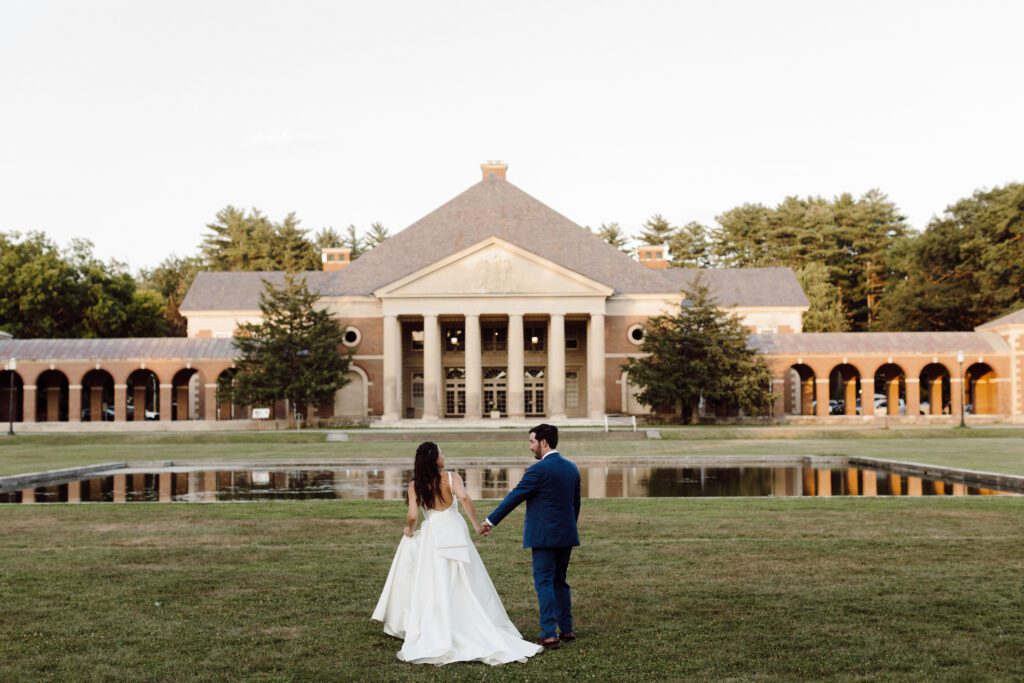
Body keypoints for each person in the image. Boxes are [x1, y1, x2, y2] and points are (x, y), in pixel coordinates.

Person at [372, 441, 543, 665]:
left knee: (435, 578)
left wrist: (409, 531)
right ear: (435, 459)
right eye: (441, 454)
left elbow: (413, 515)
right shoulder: (451, 478)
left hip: (433, 532)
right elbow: (464, 498)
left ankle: (439, 624)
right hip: (454, 528)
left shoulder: (415, 484)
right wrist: (476, 525)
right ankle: (471, 620)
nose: (444, 456)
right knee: (465, 575)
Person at [481, 423, 581, 650]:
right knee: (560, 581)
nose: (530, 447)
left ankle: (549, 633)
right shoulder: (571, 467)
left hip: (544, 537)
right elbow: (576, 504)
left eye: (532, 442)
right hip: (566, 535)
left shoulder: (538, 470)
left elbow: (515, 497)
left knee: (544, 582)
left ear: (543, 443)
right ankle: (566, 629)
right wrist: (567, 527)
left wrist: (490, 521)